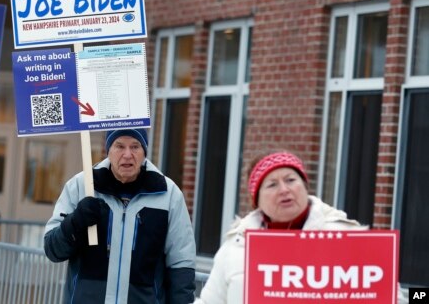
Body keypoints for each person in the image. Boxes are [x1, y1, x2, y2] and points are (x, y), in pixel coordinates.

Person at [194, 151, 407, 304]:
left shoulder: (348, 238)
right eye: (272, 184)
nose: (284, 189)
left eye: (290, 180)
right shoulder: (238, 245)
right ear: (256, 200)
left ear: (305, 187)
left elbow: (390, 296)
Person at [44, 128, 196, 304]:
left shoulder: (168, 195)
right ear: (108, 150)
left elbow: (181, 265)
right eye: (119, 146)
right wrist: (75, 222)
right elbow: (52, 250)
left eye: (135, 146)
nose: (127, 154)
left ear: (144, 151)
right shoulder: (81, 187)